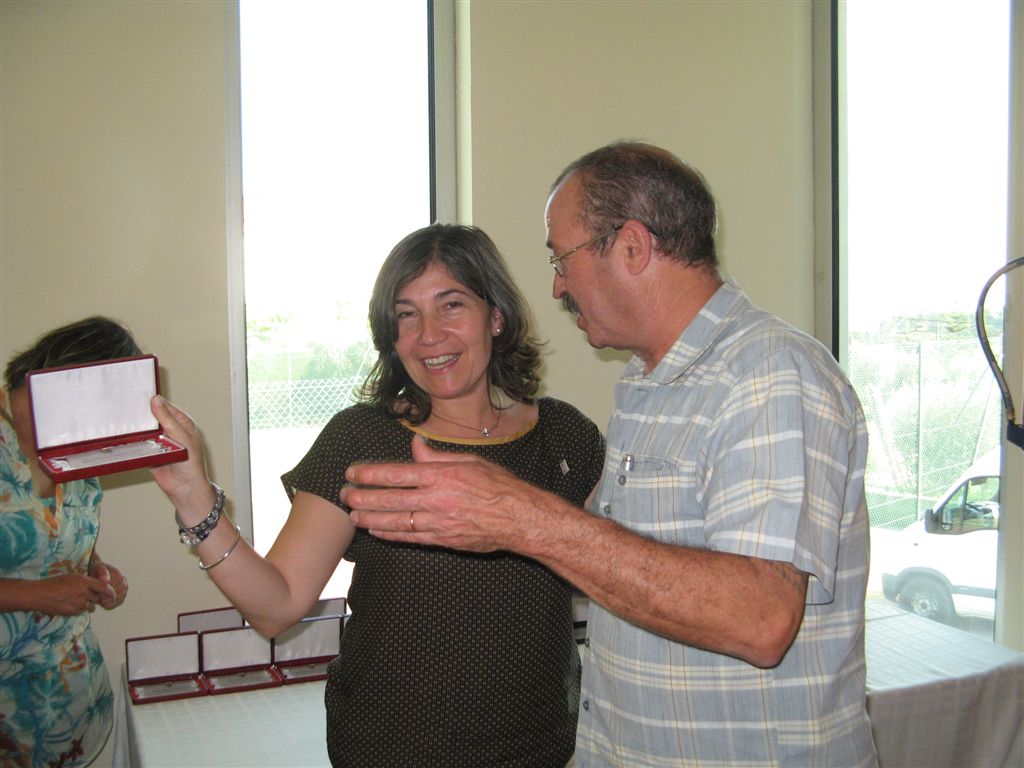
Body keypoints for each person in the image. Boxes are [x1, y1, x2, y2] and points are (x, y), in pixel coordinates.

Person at [340, 143, 878, 766]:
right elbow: (615, 565)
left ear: (632, 247)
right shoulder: (646, 386)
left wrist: (521, 517)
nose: (557, 285)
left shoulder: (768, 373)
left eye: (562, 258)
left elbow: (760, 619)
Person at [149, 224, 606, 767]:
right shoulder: (363, 440)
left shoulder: (564, 438)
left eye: (451, 305)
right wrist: (194, 498)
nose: (428, 335)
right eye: (406, 315)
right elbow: (277, 606)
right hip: (389, 749)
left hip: (538, 749)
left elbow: (614, 576)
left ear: (496, 316)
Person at [1, 316, 135, 768]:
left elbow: (60, 534)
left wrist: (95, 569)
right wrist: (36, 595)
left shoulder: (74, 445)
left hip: (71, 706)